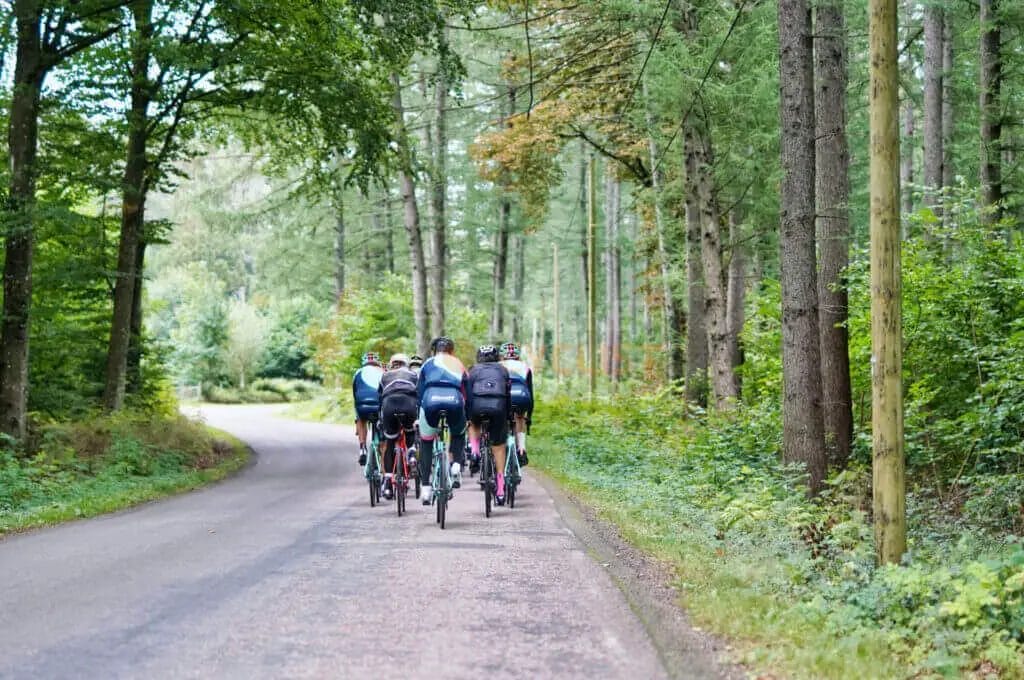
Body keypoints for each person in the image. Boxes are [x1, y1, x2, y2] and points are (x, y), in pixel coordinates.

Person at [416, 336, 468, 504]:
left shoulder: (427, 364)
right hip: (454, 401)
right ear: (451, 350)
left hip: (431, 402)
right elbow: (467, 391)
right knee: (458, 432)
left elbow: (419, 392)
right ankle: (456, 466)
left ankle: (425, 488)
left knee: (426, 442)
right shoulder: (459, 364)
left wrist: (420, 414)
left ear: (434, 350)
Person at [466, 345, 512, 504]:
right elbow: (508, 394)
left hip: (477, 406)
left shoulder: (472, 370)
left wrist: (467, 415)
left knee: (473, 423)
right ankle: (500, 490)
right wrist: (508, 417)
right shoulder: (503, 370)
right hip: (498, 407)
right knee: (498, 447)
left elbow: (467, 393)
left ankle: (475, 451)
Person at [377, 353, 419, 500]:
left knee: (390, 441)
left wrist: (379, 419)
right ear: (406, 363)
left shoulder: (384, 376)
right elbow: (419, 395)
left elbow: (379, 398)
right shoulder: (413, 375)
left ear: (391, 363)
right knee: (410, 431)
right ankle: (412, 453)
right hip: (409, 404)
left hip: (389, 405)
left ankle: (388, 483)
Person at [500, 341, 533, 466]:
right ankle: (522, 449)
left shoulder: (499, 365)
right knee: (520, 417)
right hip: (522, 396)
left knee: (501, 417)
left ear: (502, 356)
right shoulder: (525, 367)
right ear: (517, 356)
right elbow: (531, 392)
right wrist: (529, 416)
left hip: (505, 396)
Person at [352, 352, 384, 466]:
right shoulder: (382, 372)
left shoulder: (358, 373)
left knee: (360, 418)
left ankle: (362, 448)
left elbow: (355, 394)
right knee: (383, 423)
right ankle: (383, 449)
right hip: (379, 406)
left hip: (362, 405)